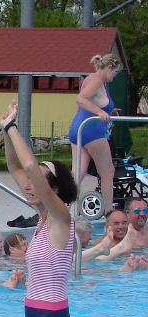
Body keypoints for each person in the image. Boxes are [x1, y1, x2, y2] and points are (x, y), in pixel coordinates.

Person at [3, 99, 79, 317]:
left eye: (35, 182)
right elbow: (15, 166)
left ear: (53, 190)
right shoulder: (43, 219)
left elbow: (29, 166)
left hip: (50, 316)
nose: (28, 186)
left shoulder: (60, 217)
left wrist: (12, 128)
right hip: (35, 313)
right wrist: (5, 128)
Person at [69, 53, 122, 215]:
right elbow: (80, 99)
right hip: (92, 131)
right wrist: (99, 111)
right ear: (109, 67)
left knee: (77, 174)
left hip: (78, 128)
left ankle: (62, 208)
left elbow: (91, 101)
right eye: (115, 72)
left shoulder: (93, 79)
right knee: (107, 172)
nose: (115, 76)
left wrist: (109, 110)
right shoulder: (96, 80)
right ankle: (109, 213)